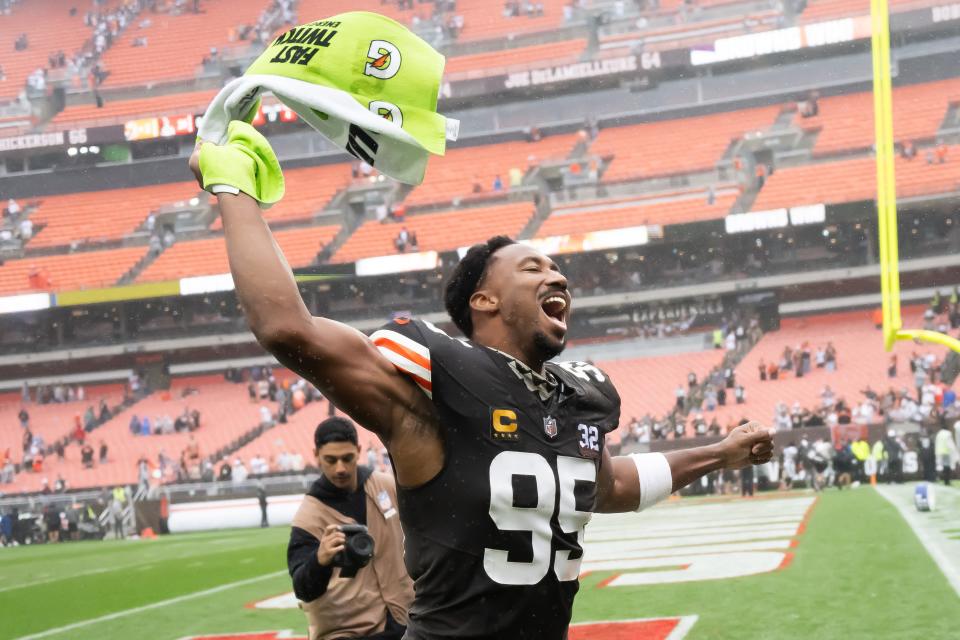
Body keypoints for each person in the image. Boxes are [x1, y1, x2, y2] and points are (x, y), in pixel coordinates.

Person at [190, 134, 774, 638]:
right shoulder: (431, 398)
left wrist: (717, 455)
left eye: (555, 268)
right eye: (533, 268)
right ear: (483, 301)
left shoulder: (576, 402)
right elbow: (286, 327)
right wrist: (233, 192)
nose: (558, 276)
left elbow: (609, 484)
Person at [287, 418, 413, 639]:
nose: (340, 468)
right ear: (316, 455)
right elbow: (303, 589)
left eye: (347, 458)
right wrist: (319, 561)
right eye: (330, 460)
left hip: (405, 621)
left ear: (359, 450)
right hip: (346, 630)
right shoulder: (308, 517)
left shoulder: (386, 487)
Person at [935, 421, 959, 485]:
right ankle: (947, 481)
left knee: (940, 466)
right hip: (946, 452)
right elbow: (950, 443)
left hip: (939, 452)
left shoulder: (939, 433)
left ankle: (939, 478)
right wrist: (954, 451)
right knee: (947, 467)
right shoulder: (947, 433)